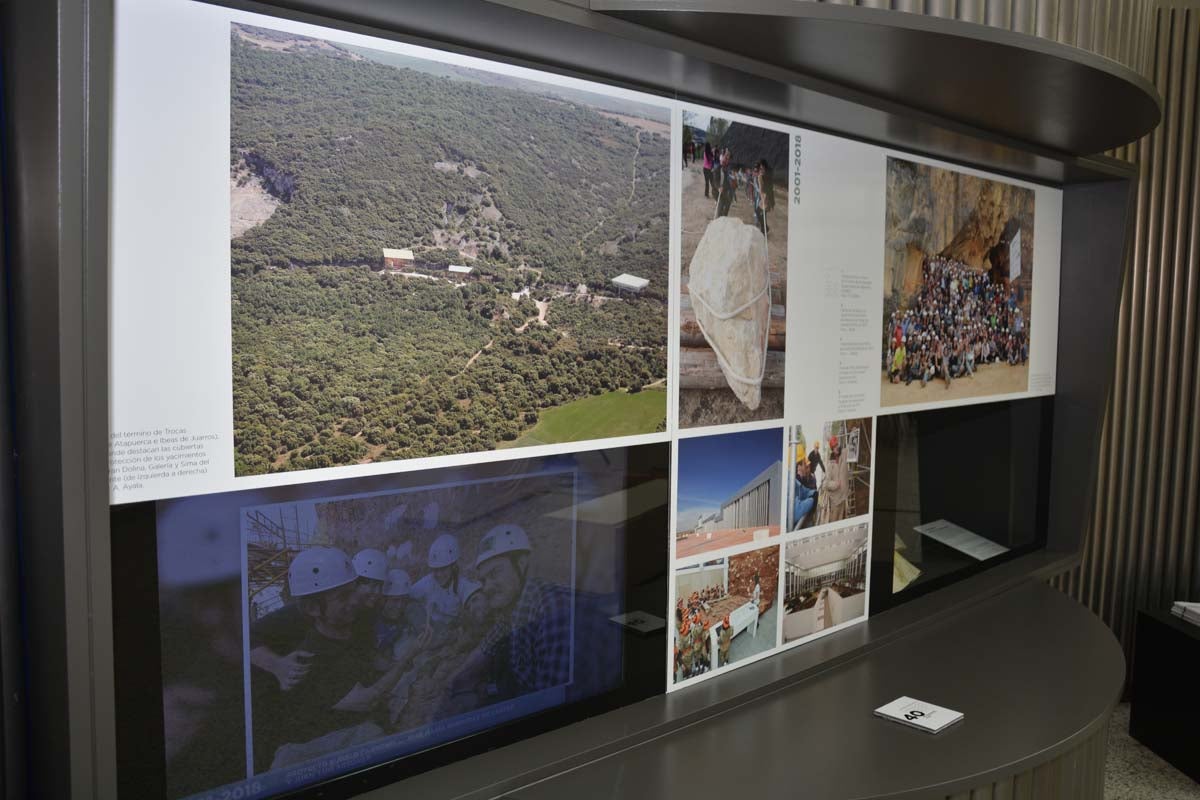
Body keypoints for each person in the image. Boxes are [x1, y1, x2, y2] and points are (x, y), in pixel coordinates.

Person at [249, 547, 412, 771]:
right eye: (345, 595)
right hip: (302, 732)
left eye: (355, 589)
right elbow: (246, 637)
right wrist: (276, 665)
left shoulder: (359, 612)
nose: (357, 599)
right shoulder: (298, 619)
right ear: (312, 608)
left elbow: (365, 654)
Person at [448, 524, 572, 703]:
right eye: (483, 580)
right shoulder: (511, 609)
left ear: (521, 564)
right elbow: (486, 647)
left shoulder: (552, 609)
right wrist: (453, 682)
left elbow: (550, 703)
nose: (487, 587)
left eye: (495, 572)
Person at [410, 533, 462, 625]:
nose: (439, 575)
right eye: (435, 570)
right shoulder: (427, 583)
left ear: (453, 566)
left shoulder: (463, 585)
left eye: (443, 569)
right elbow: (408, 598)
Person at [818, 436, 851, 525]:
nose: (836, 448)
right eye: (834, 447)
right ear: (832, 449)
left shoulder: (844, 453)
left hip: (843, 497)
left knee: (842, 521)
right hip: (835, 501)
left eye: (837, 445)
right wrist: (835, 484)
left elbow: (852, 445)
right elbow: (825, 484)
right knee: (834, 522)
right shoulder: (830, 464)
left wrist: (852, 433)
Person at [792, 460, 817, 530]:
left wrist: (813, 493)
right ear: (799, 467)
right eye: (805, 465)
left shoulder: (811, 478)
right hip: (800, 522)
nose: (807, 467)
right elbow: (795, 512)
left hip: (807, 514)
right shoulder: (795, 480)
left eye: (808, 466)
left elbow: (805, 491)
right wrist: (812, 500)